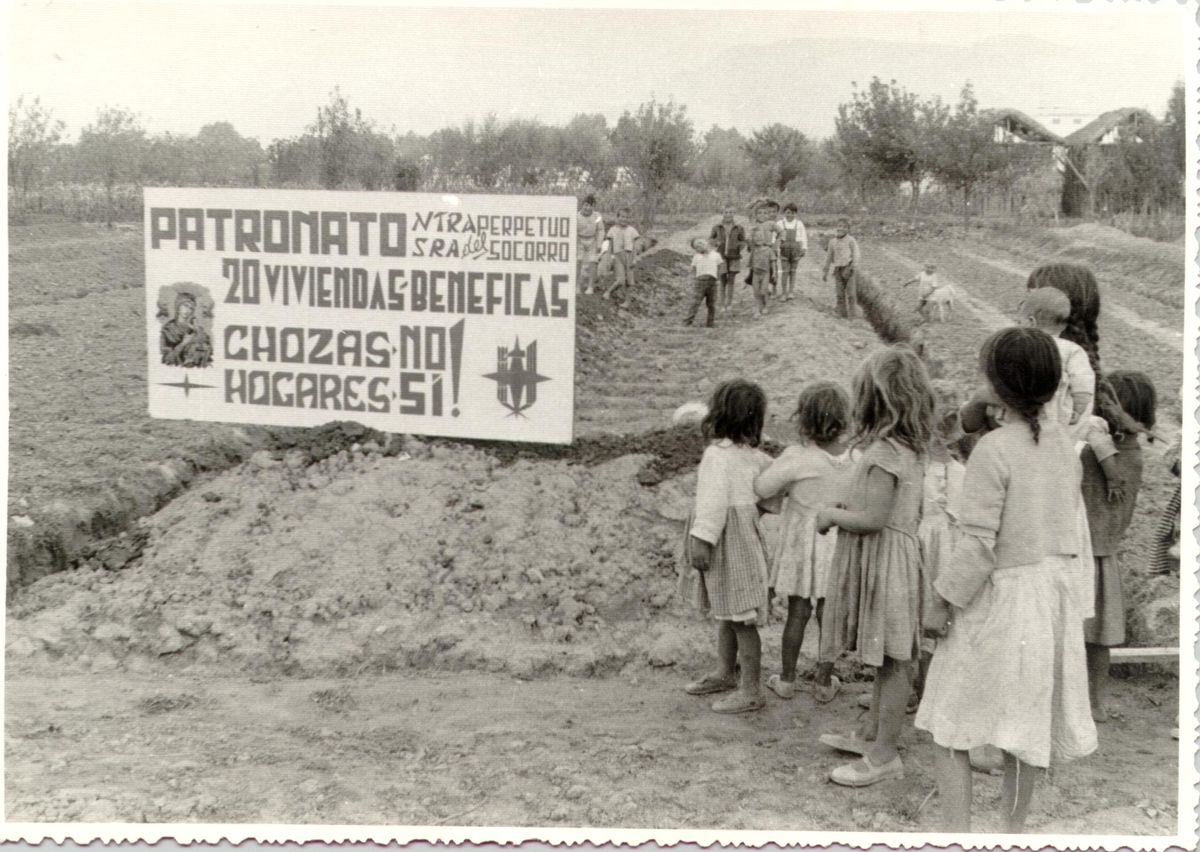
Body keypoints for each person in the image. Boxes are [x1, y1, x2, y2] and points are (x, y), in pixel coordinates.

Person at [916, 326, 1097, 833]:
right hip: (1050, 598)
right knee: (1025, 728)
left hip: (1001, 599)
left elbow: (977, 545)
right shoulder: (1064, 446)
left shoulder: (994, 450)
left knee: (950, 722)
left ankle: (958, 835)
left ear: (997, 386)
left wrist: (941, 601)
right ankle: (1011, 836)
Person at [815, 345, 935, 787]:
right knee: (888, 658)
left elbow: (875, 519)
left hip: (887, 562)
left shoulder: (886, 453)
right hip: (894, 558)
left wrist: (831, 515)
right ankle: (873, 735)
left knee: (893, 659)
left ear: (875, 400)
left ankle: (885, 754)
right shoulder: (908, 448)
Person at [754, 381, 856, 704]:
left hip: (802, 546)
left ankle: (786, 679)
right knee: (829, 613)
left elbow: (763, 486)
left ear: (805, 420)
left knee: (798, 612)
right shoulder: (855, 459)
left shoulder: (798, 457)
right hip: (835, 544)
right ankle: (824, 681)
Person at [679, 380, 774, 714]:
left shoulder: (717, 457)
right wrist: (754, 512)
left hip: (723, 542)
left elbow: (712, 504)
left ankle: (750, 689)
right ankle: (725, 672)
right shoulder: (755, 457)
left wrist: (702, 539)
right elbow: (774, 489)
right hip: (741, 539)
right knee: (730, 612)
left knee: (740, 619)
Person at [1082, 370, 1156, 722]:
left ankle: (1083, 702)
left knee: (1075, 637)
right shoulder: (1134, 455)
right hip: (1105, 554)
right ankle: (1096, 702)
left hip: (1082, 553)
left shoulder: (1099, 454)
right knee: (1098, 642)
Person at [160, 292, 212, 368]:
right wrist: (183, 343)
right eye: (185, 306)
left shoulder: (197, 328)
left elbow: (209, 352)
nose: (188, 310)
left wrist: (198, 332)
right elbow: (166, 359)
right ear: (178, 306)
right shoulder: (167, 330)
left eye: (191, 308)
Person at [710, 206, 746, 313]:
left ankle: (729, 303)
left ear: (734, 213)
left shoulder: (739, 228)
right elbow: (711, 238)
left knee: (731, 280)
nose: (728, 214)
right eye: (726, 212)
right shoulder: (717, 227)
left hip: (734, 256)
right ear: (723, 213)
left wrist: (738, 246)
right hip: (721, 256)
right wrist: (716, 243)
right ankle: (721, 304)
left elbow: (743, 240)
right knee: (722, 280)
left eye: (731, 212)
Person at [823, 218, 860, 319]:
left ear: (848, 229)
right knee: (839, 294)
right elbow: (829, 257)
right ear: (836, 227)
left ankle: (853, 316)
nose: (841, 228)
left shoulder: (851, 241)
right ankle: (842, 314)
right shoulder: (832, 242)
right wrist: (825, 271)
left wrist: (852, 267)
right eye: (839, 226)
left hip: (849, 269)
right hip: (838, 270)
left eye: (844, 227)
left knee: (851, 294)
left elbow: (856, 255)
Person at [684, 237, 724, 328]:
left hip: (712, 282)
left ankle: (710, 323)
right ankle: (687, 322)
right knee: (695, 302)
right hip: (700, 282)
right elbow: (693, 269)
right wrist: (694, 279)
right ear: (696, 249)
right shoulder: (696, 257)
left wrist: (718, 277)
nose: (700, 246)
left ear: (706, 243)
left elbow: (720, 266)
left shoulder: (716, 255)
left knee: (712, 304)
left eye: (701, 243)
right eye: (697, 246)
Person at [746, 202, 777, 318]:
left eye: (761, 237)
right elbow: (749, 240)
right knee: (756, 292)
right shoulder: (754, 249)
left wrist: (774, 273)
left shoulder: (768, 249)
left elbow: (773, 261)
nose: (759, 239)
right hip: (755, 273)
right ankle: (757, 309)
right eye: (756, 238)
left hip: (765, 272)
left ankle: (766, 305)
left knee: (763, 290)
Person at [604, 208, 640, 304]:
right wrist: (608, 259)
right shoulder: (613, 230)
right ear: (618, 217)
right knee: (620, 280)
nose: (624, 219)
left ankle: (626, 302)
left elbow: (634, 247)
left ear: (630, 219)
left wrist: (635, 259)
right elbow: (610, 247)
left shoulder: (632, 230)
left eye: (627, 217)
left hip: (629, 256)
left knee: (630, 281)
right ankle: (608, 291)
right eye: (622, 217)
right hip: (618, 256)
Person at [775, 203, 808, 302]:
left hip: (795, 250)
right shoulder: (780, 224)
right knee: (785, 272)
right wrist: (776, 249)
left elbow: (804, 237)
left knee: (793, 271)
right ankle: (784, 293)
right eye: (788, 212)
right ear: (784, 213)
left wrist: (804, 248)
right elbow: (775, 237)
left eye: (792, 213)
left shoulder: (799, 224)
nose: (790, 215)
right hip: (784, 250)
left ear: (795, 214)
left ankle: (791, 292)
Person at [577, 195, 604, 295]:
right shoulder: (577, 216)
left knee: (593, 261)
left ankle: (590, 286)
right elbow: (573, 231)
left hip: (592, 240)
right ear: (582, 205)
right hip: (580, 240)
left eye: (591, 206)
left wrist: (599, 243)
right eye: (586, 205)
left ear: (593, 207)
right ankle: (577, 286)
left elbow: (600, 229)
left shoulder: (597, 216)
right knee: (578, 261)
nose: (588, 208)